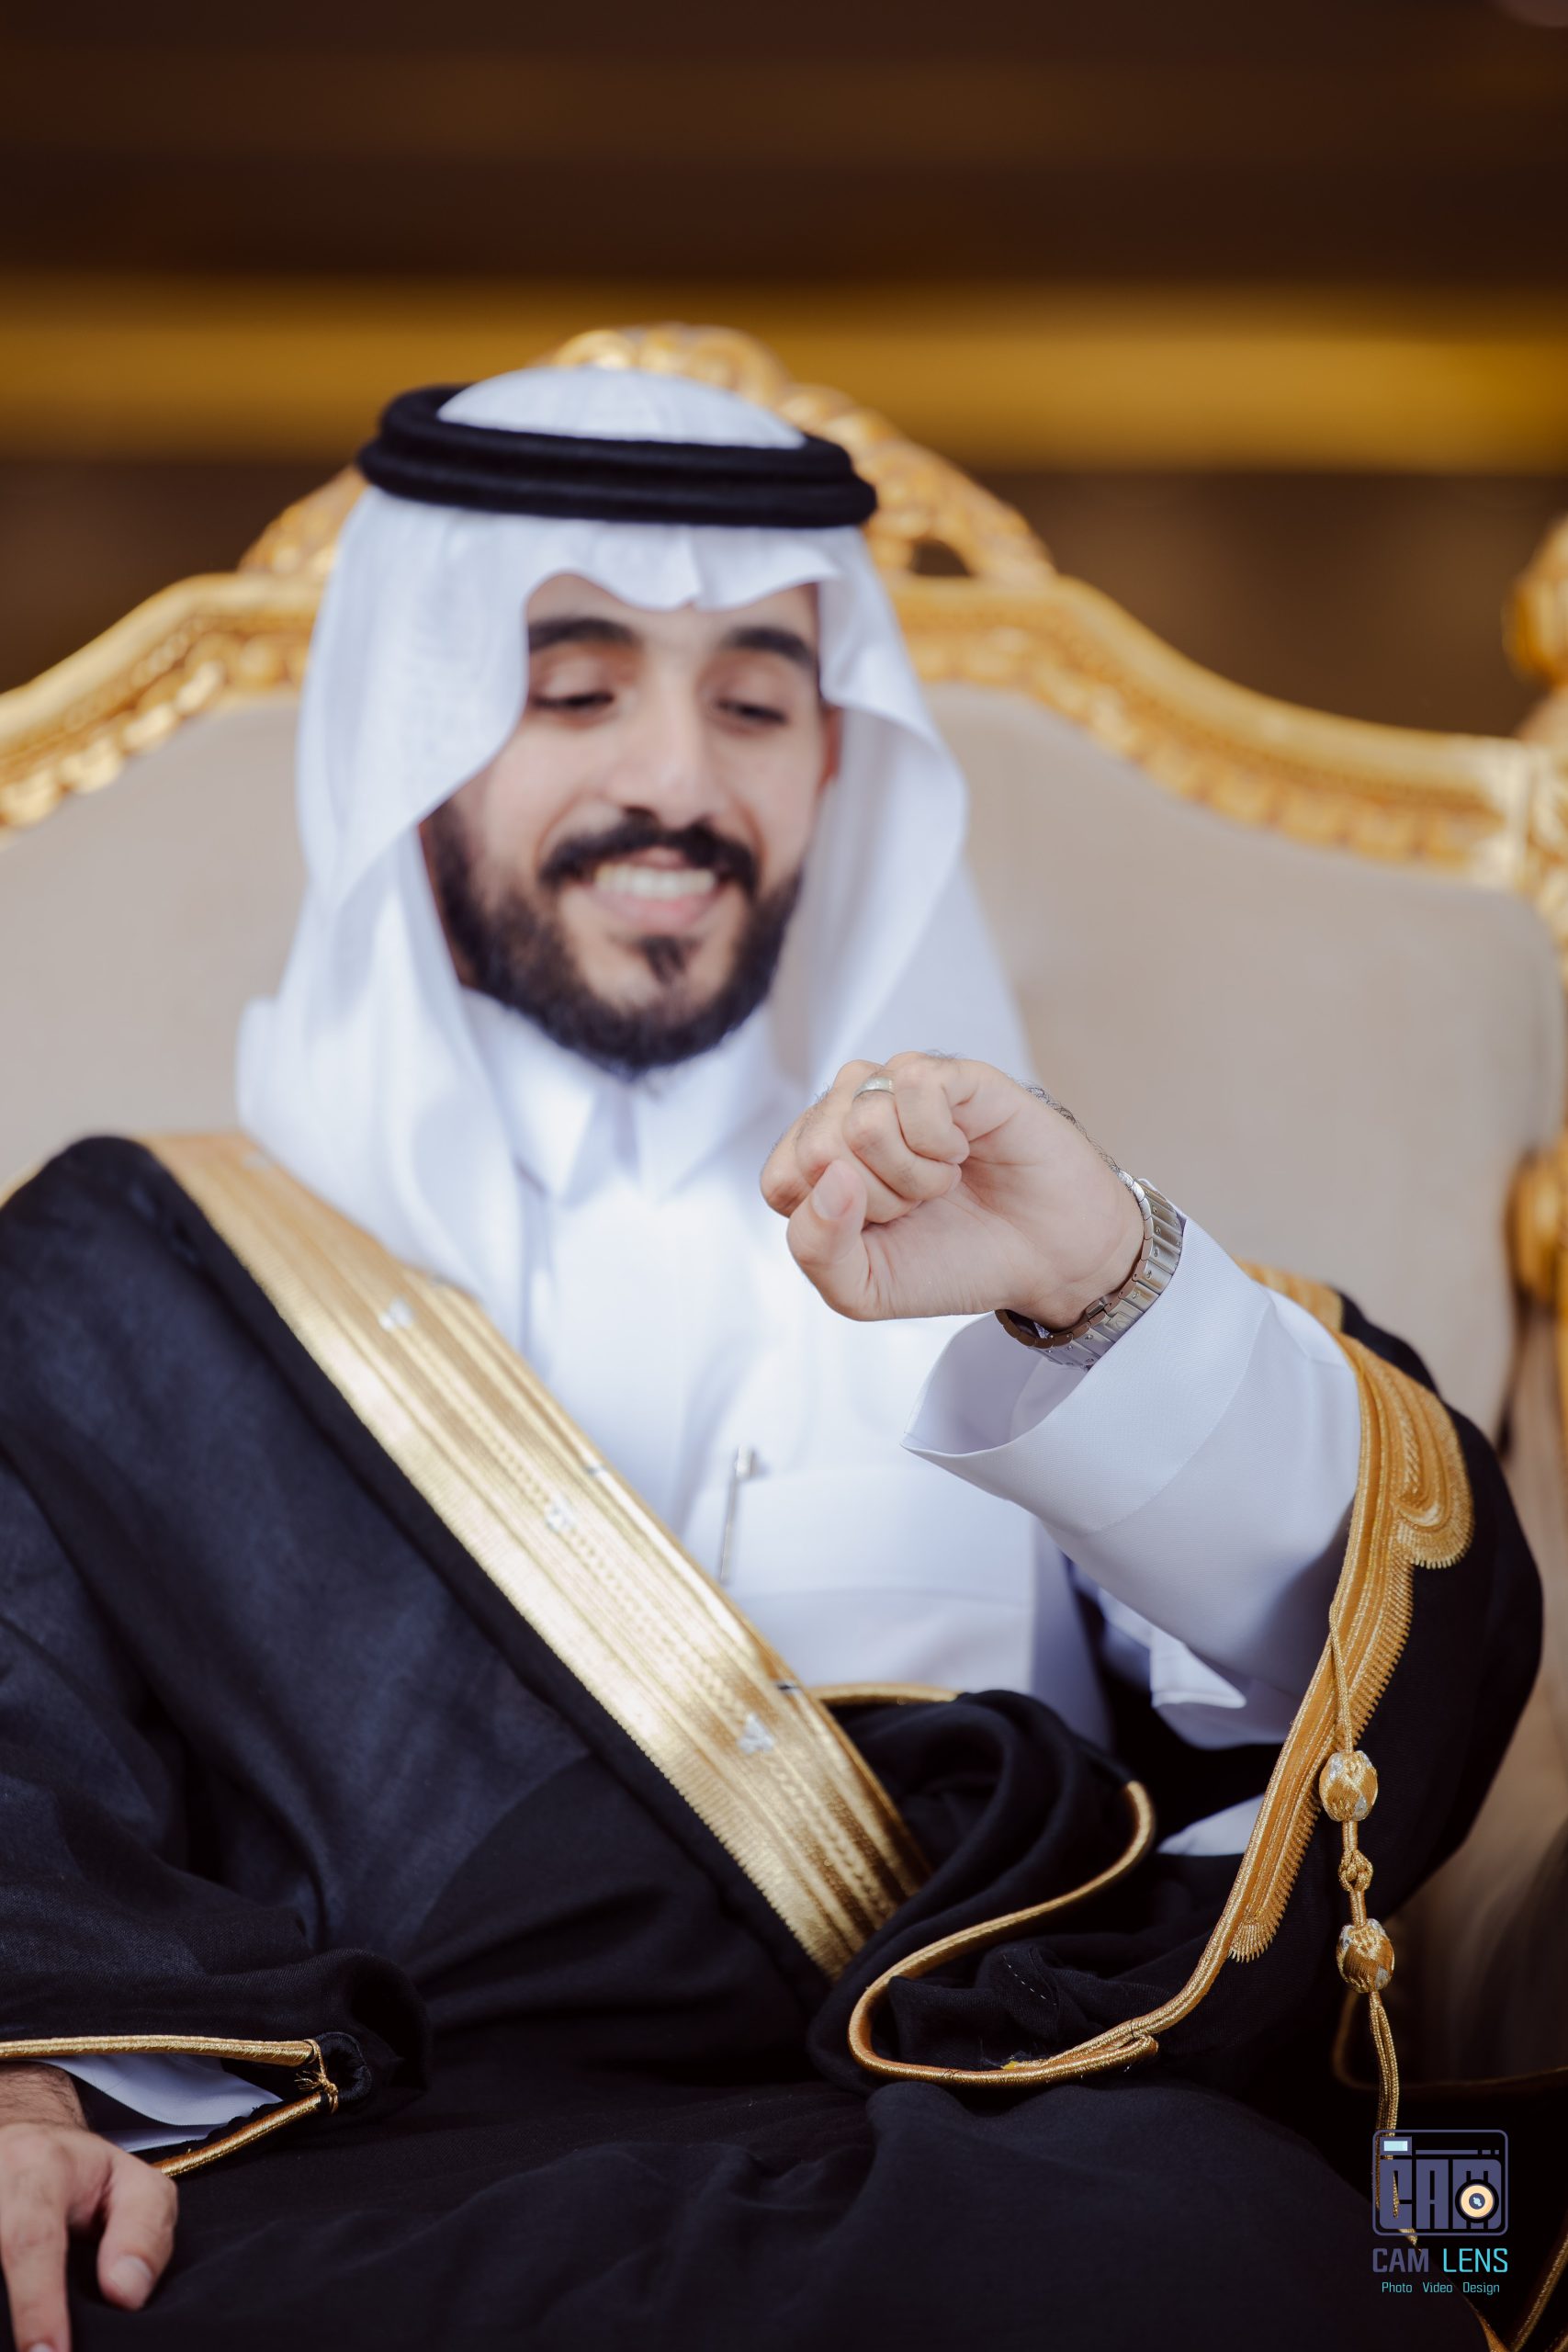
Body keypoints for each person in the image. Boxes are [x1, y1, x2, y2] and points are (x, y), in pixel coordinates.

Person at [0, 367, 1540, 2352]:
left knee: (1217, 2245)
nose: (679, 782)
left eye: (755, 702)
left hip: (962, 2150)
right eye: (576, 692)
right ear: (411, 735)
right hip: (373, 2173)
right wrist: (30, 2087)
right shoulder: (128, 1282)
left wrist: (1106, 1293)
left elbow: (1367, 1650)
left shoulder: (1012, 1217)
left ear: (837, 756)